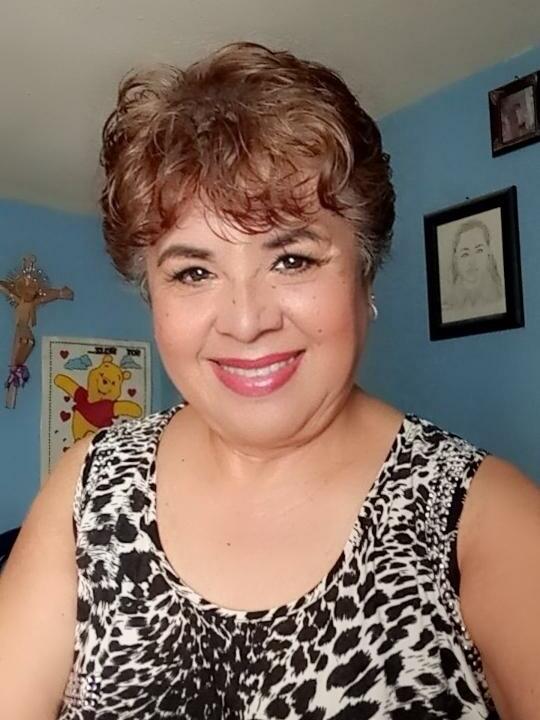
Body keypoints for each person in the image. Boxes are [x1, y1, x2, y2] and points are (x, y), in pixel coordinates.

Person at [0, 42, 538, 720]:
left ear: (365, 273)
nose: (246, 321)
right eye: (194, 272)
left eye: (291, 259)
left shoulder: (489, 520)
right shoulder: (89, 489)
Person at [442, 219, 504, 320]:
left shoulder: (501, 298)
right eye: (465, 254)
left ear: (488, 252)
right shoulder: (447, 307)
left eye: (479, 250)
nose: (472, 261)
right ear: (456, 259)